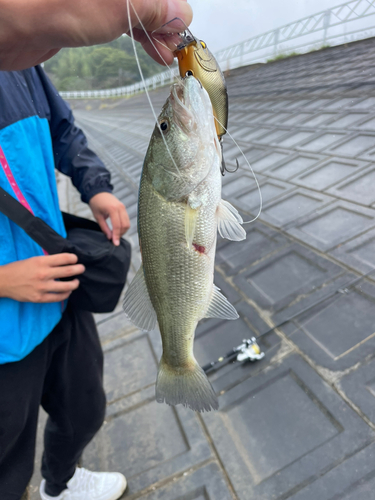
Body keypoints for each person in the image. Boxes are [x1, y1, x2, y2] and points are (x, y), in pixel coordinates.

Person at [0, 1, 193, 499]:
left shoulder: (21, 71)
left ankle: (59, 484)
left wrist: (96, 186)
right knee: (6, 458)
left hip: (61, 291)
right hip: (3, 335)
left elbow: (62, 129)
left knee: (85, 407)